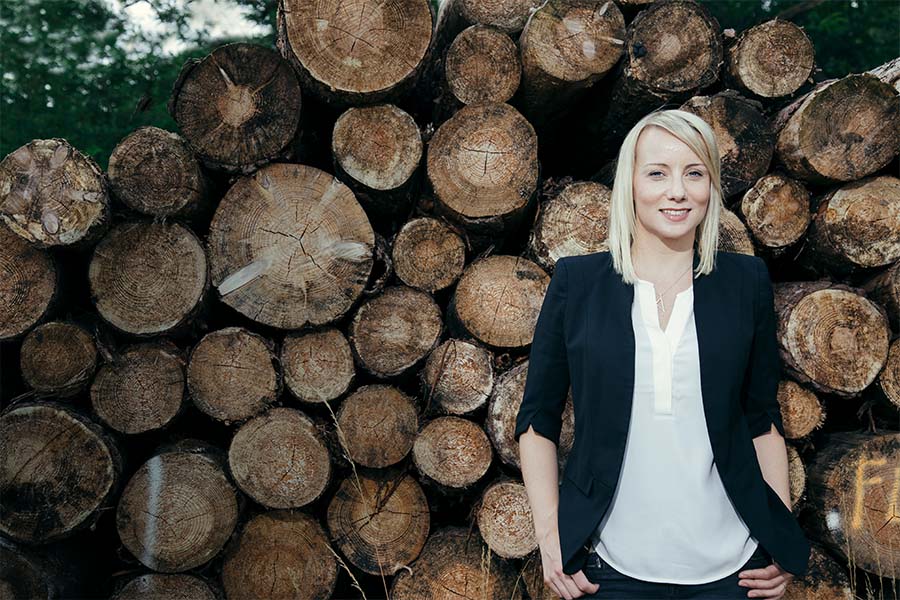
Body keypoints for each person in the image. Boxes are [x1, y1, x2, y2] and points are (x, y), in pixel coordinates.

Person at [514, 109, 810, 600]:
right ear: (630, 183)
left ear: (711, 187)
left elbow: (762, 420)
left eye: (694, 173)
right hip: (607, 570)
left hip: (733, 573)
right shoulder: (578, 283)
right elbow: (536, 422)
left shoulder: (745, 283)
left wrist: (775, 537)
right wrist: (550, 537)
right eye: (658, 173)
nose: (677, 190)